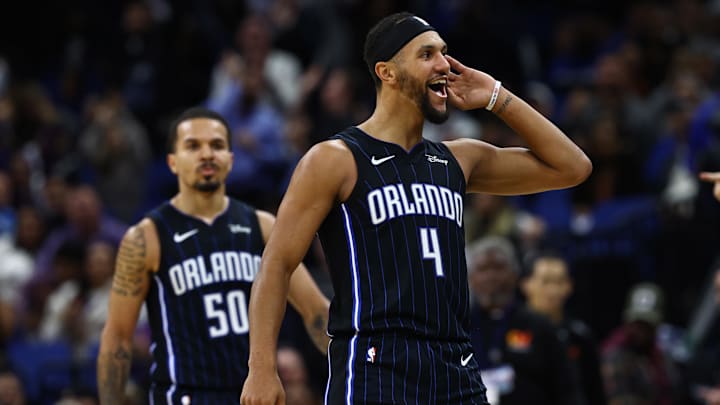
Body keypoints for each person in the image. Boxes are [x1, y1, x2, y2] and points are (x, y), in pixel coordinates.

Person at [241, 11, 591, 405]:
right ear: (387, 72)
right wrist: (260, 368)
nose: (444, 64)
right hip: (377, 365)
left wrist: (495, 95)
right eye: (427, 55)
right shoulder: (335, 159)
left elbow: (573, 167)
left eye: (444, 53)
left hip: (455, 366)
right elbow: (277, 264)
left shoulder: (458, 160)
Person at [96, 107, 330, 404]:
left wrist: (358, 370)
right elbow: (117, 337)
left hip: (251, 395)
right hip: (184, 395)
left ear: (231, 160)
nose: (207, 154)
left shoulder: (263, 227)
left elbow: (317, 312)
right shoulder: (146, 237)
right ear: (172, 162)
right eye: (193, 146)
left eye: (217, 145)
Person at [467, 237, 582, 405]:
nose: (490, 276)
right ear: (471, 278)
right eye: (483, 269)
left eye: (498, 268)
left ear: (514, 275)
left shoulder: (540, 326)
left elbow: (567, 390)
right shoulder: (458, 326)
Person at [521, 252, 607, 405]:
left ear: (569, 286)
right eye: (546, 282)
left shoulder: (580, 336)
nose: (553, 291)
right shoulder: (512, 330)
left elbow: (595, 392)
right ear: (526, 284)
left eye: (560, 282)